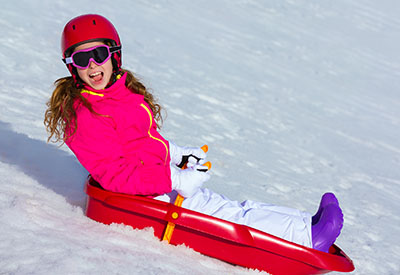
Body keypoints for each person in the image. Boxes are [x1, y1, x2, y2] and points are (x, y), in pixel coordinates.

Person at [44, 14, 343, 253]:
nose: (93, 65)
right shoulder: (85, 115)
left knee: (230, 207)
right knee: (227, 219)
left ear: (115, 55)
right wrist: (174, 178)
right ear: (72, 66)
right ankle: (307, 239)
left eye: (99, 54)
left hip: (155, 181)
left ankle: (306, 224)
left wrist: (177, 154)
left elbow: (144, 139)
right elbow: (115, 175)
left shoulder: (119, 94)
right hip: (141, 196)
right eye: (82, 59)